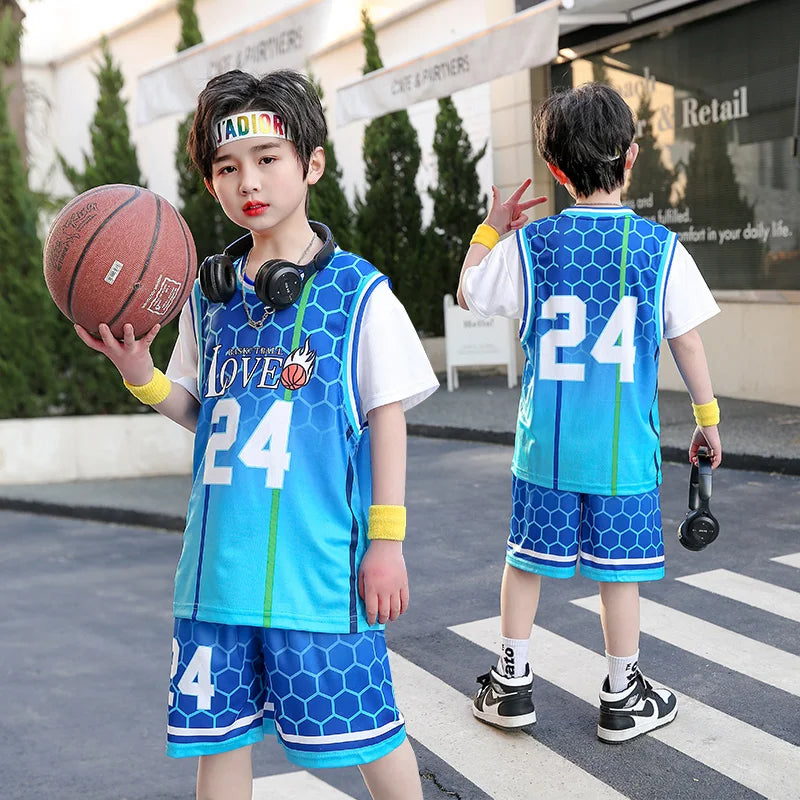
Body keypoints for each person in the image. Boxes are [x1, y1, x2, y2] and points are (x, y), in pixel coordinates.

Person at [75, 68, 437, 799]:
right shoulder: (205, 298)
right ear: (210, 181)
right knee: (221, 745)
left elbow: (386, 417)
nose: (251, 181)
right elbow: (198, 411)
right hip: (215, 576)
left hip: (320, 572)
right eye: (227, 167)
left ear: (313, 163)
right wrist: (140, 374)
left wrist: (389, 544)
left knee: (370, 729)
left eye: (269, 159)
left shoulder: (357, 291)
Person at [457, 82, 722, 743]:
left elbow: (469, 291)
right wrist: (708, 417)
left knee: (525, 562)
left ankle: (512, 685)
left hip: (543, 450)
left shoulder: (531, 246)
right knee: (617, 575)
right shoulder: (661, 249)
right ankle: (622, 693)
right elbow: (687, 339)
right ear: (632, 157)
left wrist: (492, 225)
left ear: (555, 168)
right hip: (622, 452)